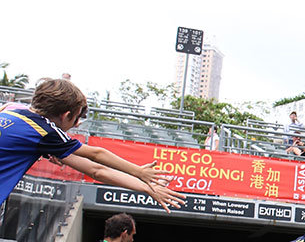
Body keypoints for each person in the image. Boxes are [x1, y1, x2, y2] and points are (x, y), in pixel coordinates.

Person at [0, 80, 183, 210]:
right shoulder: (45, 132)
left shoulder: (12, 109)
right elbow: (96, 157)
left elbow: (96, 170)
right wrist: (140, 172)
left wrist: (146, 188)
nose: (77, 124)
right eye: (77, 117)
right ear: (65, 115)